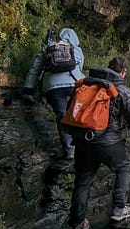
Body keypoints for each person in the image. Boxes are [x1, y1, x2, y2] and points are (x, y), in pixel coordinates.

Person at [68, 56, 130, 229]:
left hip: (83, 141)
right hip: (108, 142)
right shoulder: (121, 90)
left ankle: (77, 224)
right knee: (124, 167)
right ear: (123, 72)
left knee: (82, 181)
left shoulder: (86, 85)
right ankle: (119, 208)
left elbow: (72, 113)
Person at [22, 27, 85, 160]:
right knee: (77, 115)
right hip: (74, 86)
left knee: (62, 116)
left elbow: (35, 69)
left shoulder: (48, 49)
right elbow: (79, 68)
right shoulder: (77, 50)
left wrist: (28, 89)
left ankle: (69, 151)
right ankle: (83, 146)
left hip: (52, 88)